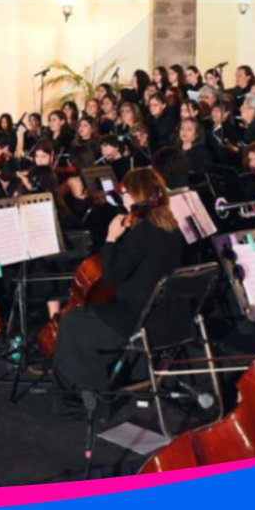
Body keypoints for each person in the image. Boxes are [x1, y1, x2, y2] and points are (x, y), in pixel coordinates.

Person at [53, 168, 183, 394]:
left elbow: (110, 277)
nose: (122, 196)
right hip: (166, 315)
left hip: (137, 318)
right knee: (84, 315)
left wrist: (111, 238)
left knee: (72, 321)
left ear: (136, 196)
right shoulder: (171, 228)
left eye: (125, 192)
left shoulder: (141, 233)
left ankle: (81, 393)